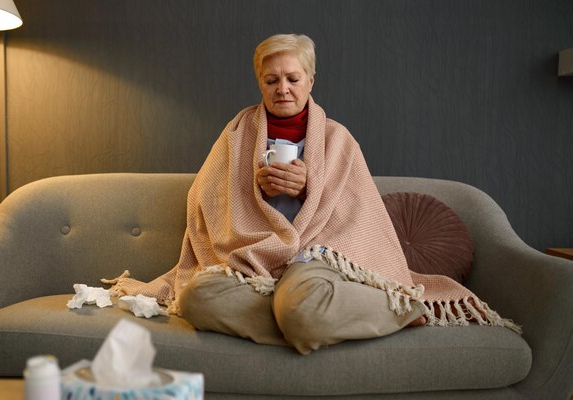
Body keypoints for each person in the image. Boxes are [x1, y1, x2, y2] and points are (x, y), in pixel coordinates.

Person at [103, 34, 520, 354]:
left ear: (310, 80)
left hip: (317, 258)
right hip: (253, 263)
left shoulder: (338, 140)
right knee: (196, 297)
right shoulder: (235, 137)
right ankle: (301, 324)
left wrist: (309, 189)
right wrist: (254, 195)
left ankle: (400, 308)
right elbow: (208, 201)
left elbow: (357, 213)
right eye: (271, 80)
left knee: (301, 301)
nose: (282, 87)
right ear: (260, 83)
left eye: (292, 78)